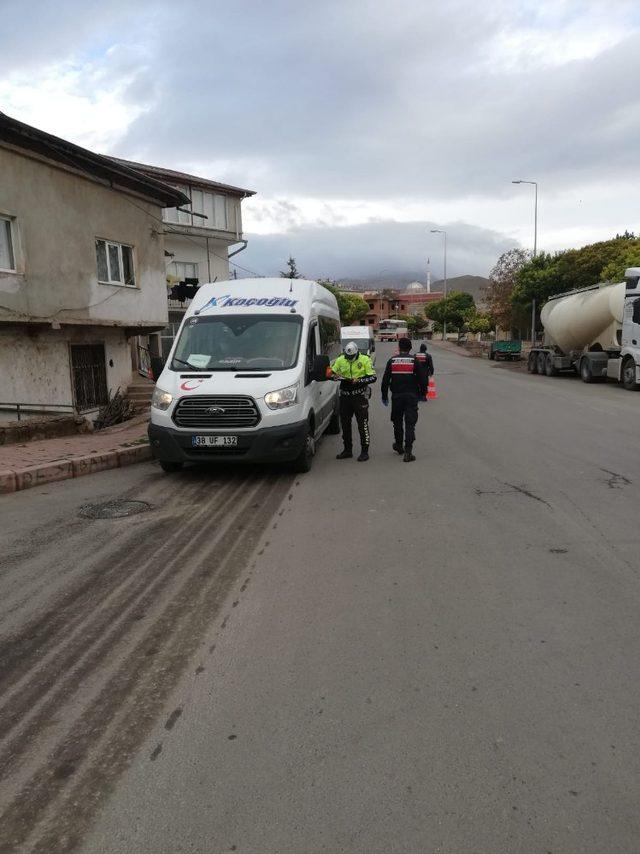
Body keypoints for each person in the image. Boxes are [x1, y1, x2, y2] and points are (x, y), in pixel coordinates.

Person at [381, 337, 428, 462]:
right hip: (412, 396)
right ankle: (408, 452)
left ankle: (398, 445)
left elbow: (385, 380)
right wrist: (423, 394)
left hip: (397, 397)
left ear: (399, 347)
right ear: (410, 348)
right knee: (410, 424)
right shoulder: (415, 361)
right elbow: (423, 379)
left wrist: (384, 396)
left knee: (397, 422)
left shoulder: (392, 361)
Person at [330, 341, 377, 461]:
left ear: (357, 353)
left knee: (363, 425)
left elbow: (373, 377)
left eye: (352, 357)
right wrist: (333, 376)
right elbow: (332, 372)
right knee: (345, 425)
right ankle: (347, 450)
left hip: (359, 396)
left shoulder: (365, 359)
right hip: (345, 397)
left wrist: (359, 380)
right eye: (348, 356)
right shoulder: (341, 359)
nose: (349, 358)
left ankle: (365, 451)